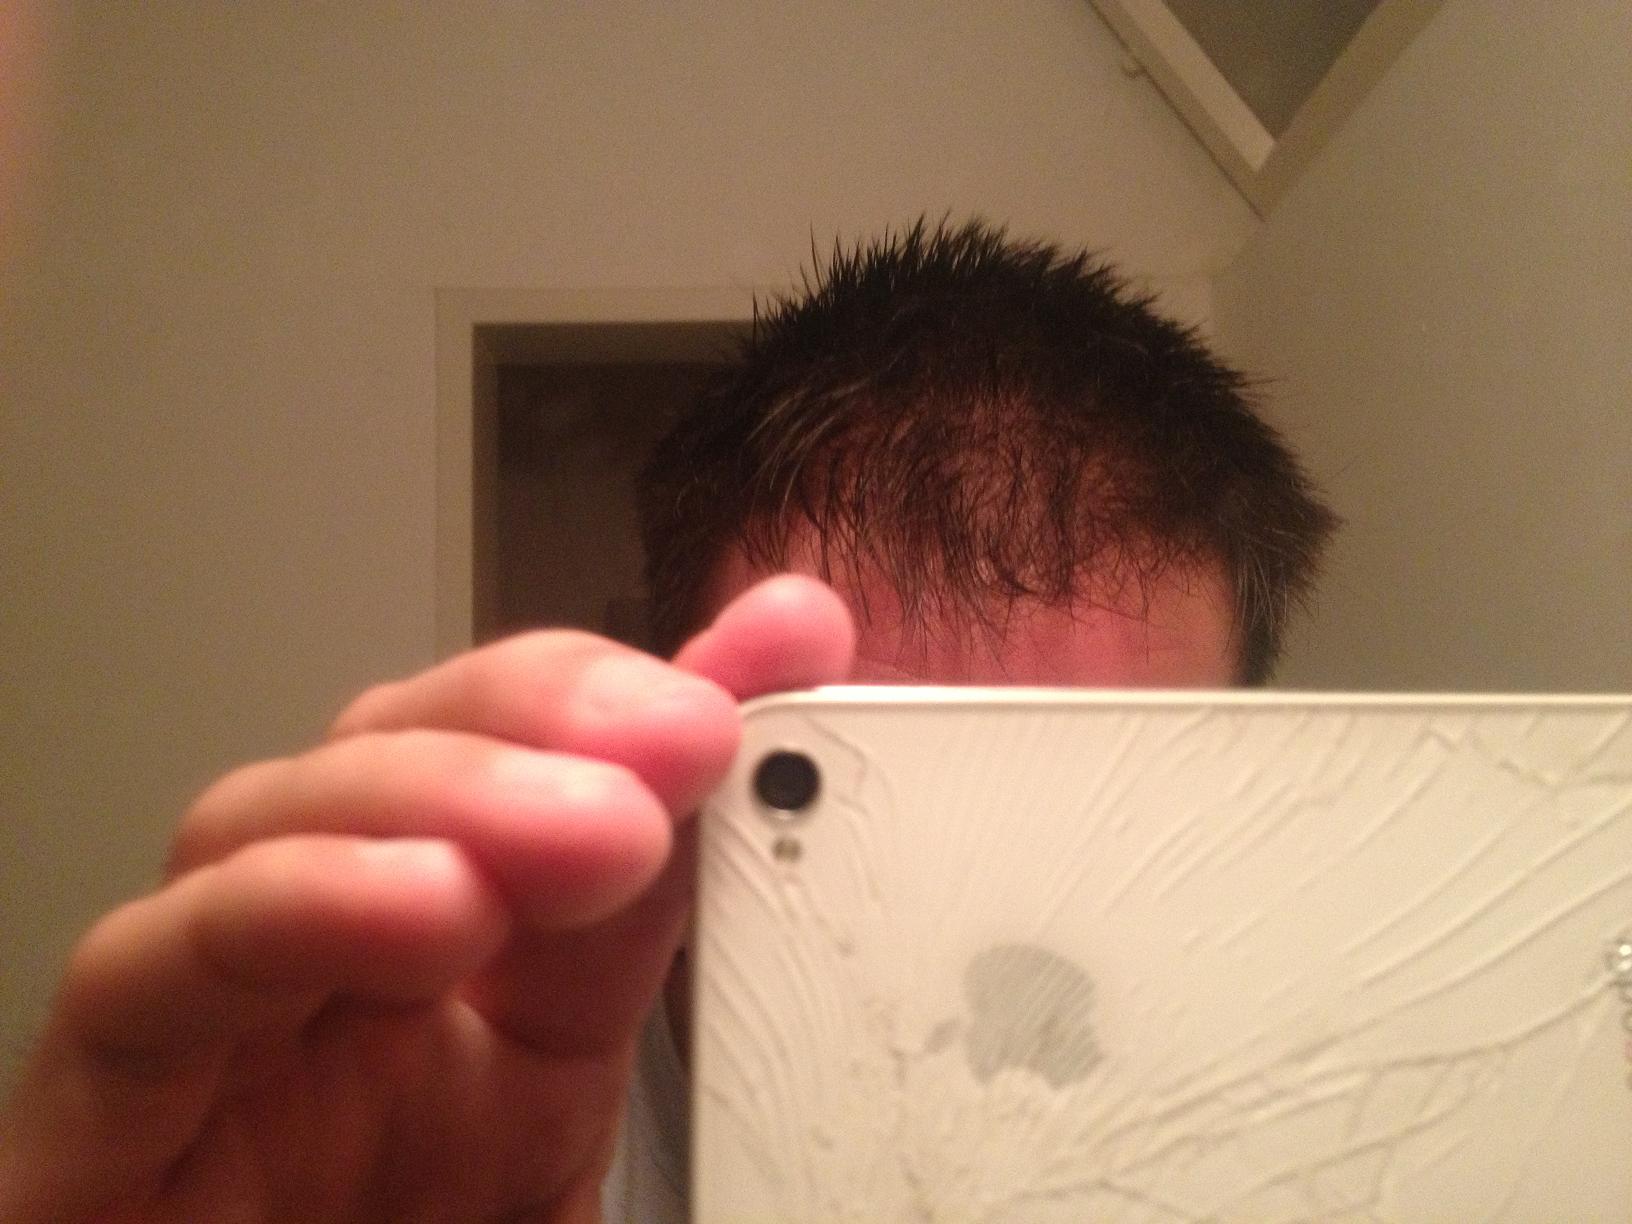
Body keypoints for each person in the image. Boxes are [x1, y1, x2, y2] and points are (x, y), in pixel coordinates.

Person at [0, 220, 1336, 1223]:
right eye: (846, 793)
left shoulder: (1342, 1132)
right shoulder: (437, 1122)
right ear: (687, 737)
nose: (981, 934)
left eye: (1101, 803)